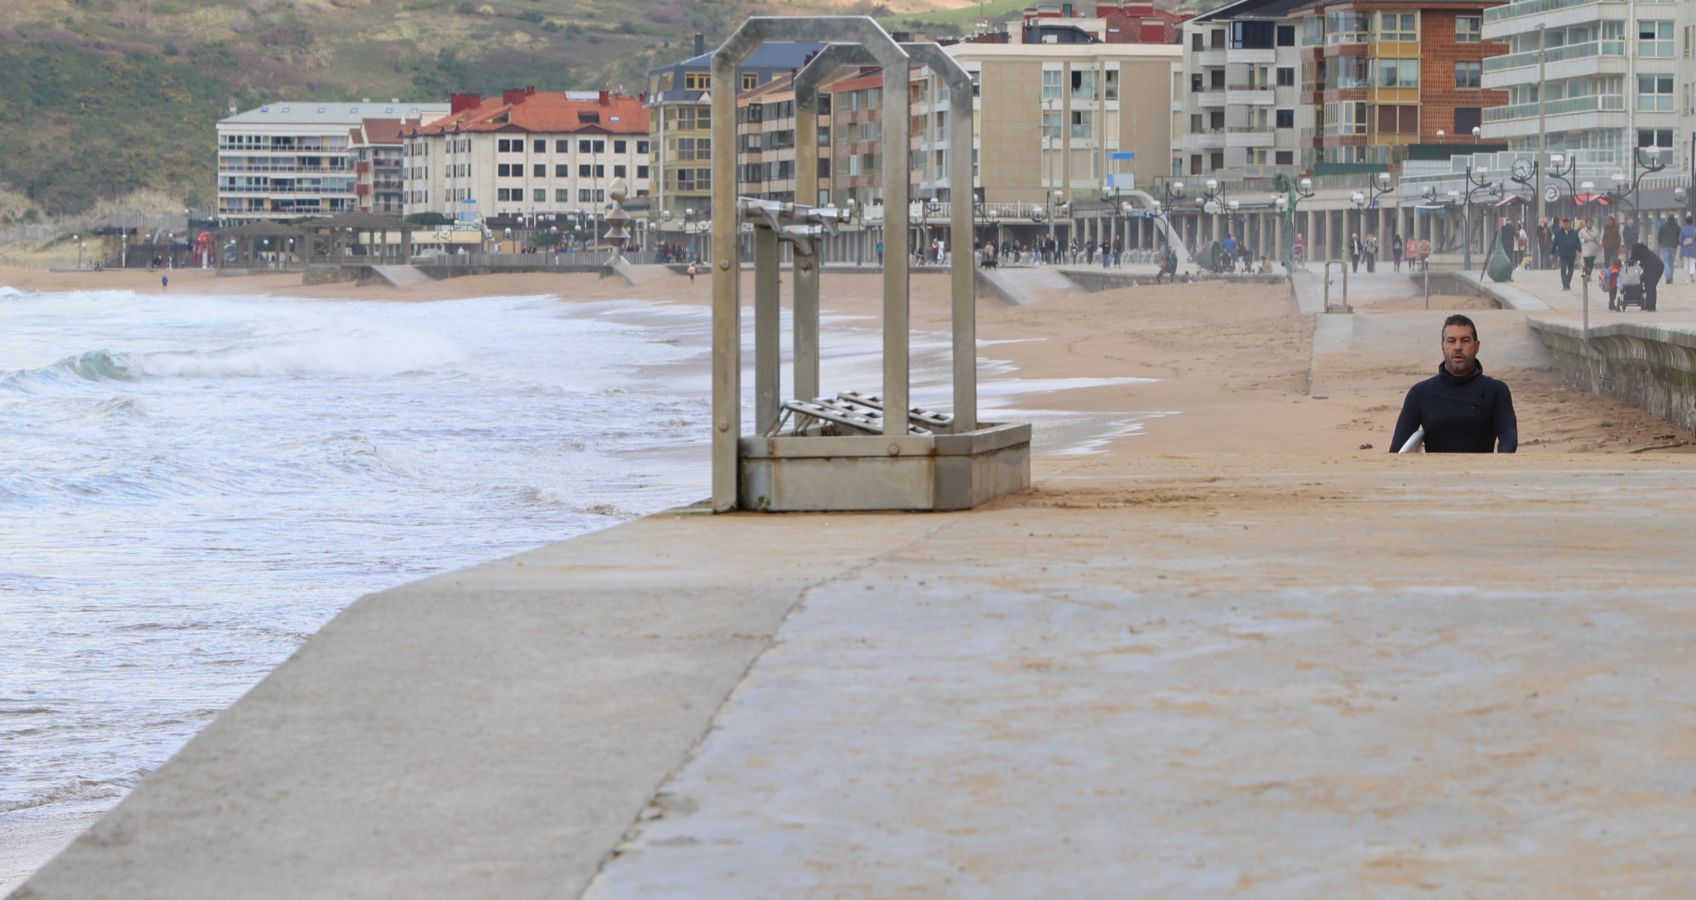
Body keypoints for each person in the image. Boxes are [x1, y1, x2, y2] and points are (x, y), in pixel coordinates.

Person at [1390, 314, 1517, 454]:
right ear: (1442, 346)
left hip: (1481, 472)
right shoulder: (1420, 393)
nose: (1458, 347)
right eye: (1451, 341)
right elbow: (1397, 450)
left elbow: (1509, 439)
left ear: (1476, 346)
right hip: (1435, 472)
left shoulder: (1495, 391)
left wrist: (1498, 467)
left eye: (1465, 340)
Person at [1626, 242, 1663, 311]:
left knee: (1649, 286)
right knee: (1651, 286)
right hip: (1659, 267)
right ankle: (1651, 305)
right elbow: (1642, 264)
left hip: (1654, 268)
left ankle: (1650, 307)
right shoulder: (1645, 252)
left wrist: (1629, 265)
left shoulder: (1639, 251)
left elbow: (1633, 259)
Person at [1552, 217, 1580, 291]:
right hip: (1563, 254)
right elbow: (1554, 244)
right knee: (1563, 269)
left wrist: (1580, 251)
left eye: (1567, 223)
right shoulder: (1558, 233)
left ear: (1570, 224)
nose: (1566, 225)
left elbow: (1577, 243)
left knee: (1571, 270)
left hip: (1571, 254)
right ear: (1562, 224)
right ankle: (1565, 285)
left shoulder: (1574, 233)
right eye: (1564, 223)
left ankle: (1567, 282)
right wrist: (1552, 253)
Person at [1656, 213, 1681, 284]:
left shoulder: (1663, 226)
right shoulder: (1677, 226)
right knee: (1671, 263)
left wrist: (1659, 242)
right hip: (1673, 247)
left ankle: (1668, 277)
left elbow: (1659, 236)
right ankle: (1671, 277)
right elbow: (1680, 236)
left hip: (1664, 246)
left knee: (1665, 262)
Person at [1681, 214, 1696, 284]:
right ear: (1692, 222)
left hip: (1685, 249)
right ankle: (1691, 274)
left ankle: (1686, 280)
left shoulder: (1683, 229)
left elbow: (1680, 240)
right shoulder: (1694, 229)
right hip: (1693, 249)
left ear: (1686, 221)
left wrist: (1683, 243)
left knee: (1686, 264)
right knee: (1692, 264)